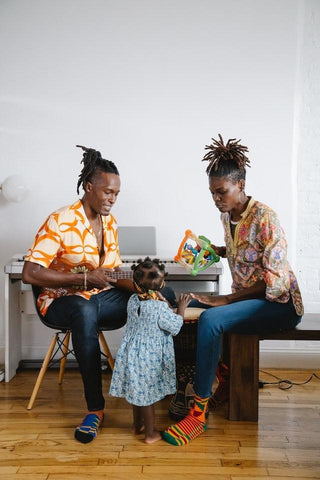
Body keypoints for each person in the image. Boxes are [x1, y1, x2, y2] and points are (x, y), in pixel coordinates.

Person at [22, 146, 175, 444]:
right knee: (83, 309)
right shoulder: (60, 220)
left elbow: (110, 275)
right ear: (89, 188)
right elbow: (30, 273)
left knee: (162, 294)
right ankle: (95, 409)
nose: (112, 199)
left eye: (116, 194)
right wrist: (82, 278)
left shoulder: (110, 223)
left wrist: (148, 290)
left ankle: (159, 392)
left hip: (99, 298)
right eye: (107, 192)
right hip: (58, 302)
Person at [162, 134, 304, 446]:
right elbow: (239, 249)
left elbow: (275, 280)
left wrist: (225, 299)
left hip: (280, 304)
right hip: (251, 299)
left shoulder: (267, 218)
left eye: (221, 192)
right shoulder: (227, 215)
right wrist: (213, 250)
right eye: (212, 193)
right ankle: (225, 382)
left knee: (213, 319)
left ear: (240, 184)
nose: (216, 198)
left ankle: (197, 414)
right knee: (203, 313)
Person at [109, 257, 191, 444]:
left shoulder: (132, 300)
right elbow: (175, 326)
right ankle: (150, 435)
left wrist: (163, 303)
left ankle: (137, 425)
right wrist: (181, 309)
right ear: (162, 284)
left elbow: (150, 312)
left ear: (136, 285)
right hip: (149, 357)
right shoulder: (160, 307)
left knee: (136, 393)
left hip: (131, 352)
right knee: (147, 398)